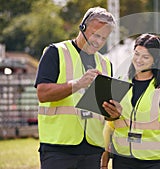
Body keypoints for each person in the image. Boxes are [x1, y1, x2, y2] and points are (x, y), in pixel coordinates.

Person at [34, 7, 121, 169]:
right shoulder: (56, 52)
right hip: (58, 148)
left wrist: (113, 113)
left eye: (103, 38)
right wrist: (77, 84)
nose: (98, 41)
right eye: (95, 35)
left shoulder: (106, 64)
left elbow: (103, 111)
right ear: (82, 28)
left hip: (93, 149)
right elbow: (43, 93)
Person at [101, 33, 160, 169]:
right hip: (122, 159)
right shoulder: (120, 83)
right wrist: (104, 158)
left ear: (155, 59)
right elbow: (109, 126)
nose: (139, 60)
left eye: (145, 57)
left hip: (154, 162)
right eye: (136, 54)